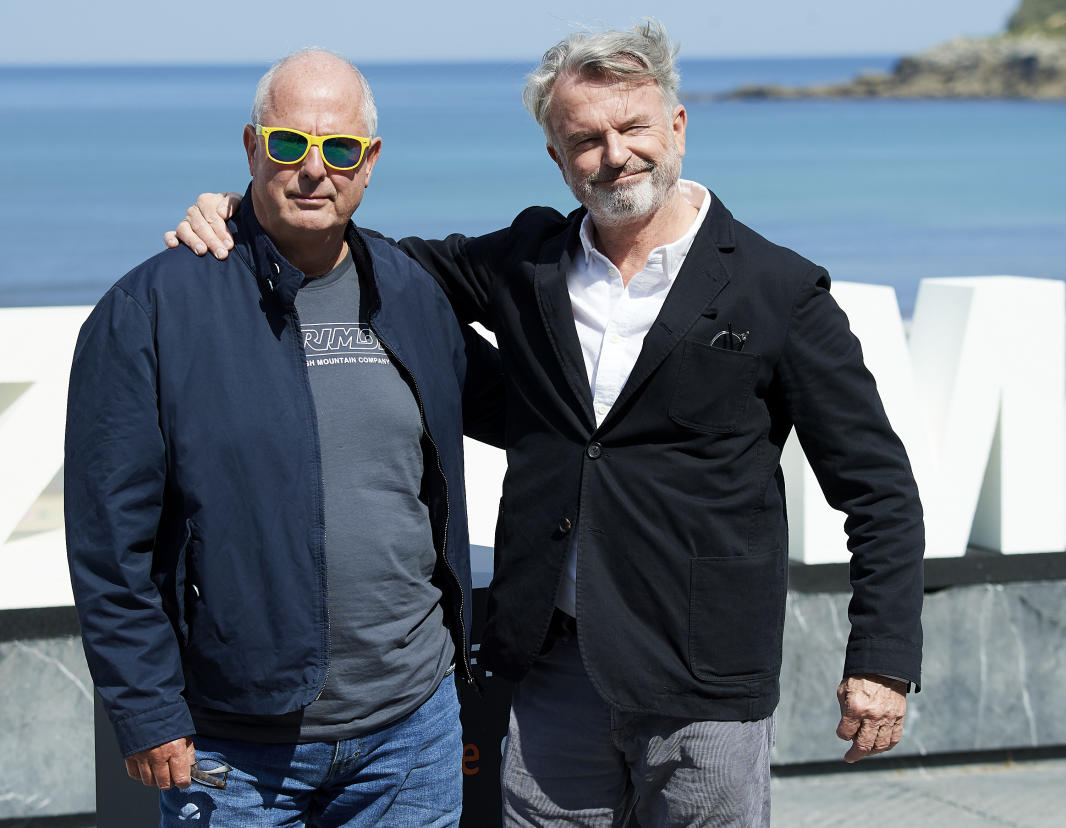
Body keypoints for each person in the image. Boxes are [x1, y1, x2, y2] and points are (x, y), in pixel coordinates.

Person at [167, 21, 924, 827]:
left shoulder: (780, 290)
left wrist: (880, 660)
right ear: (558, 160)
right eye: (584, 139)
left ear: (676, 127)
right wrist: (243, 210)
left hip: (704, 680)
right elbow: (364, 252)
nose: (614, 155)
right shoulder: (526, 261)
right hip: (552, 668)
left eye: (632, 127)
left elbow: (877, 490)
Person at [66, 49, 502, 827]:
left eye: (338, 149)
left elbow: (541, 411)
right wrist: (145, 710)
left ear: (368, 165)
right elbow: (109, 538)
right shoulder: (152, 311)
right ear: (251, 148)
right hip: (237, 744)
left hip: (415, 730)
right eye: (289, 144)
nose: (313, 170)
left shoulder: (412, 295)